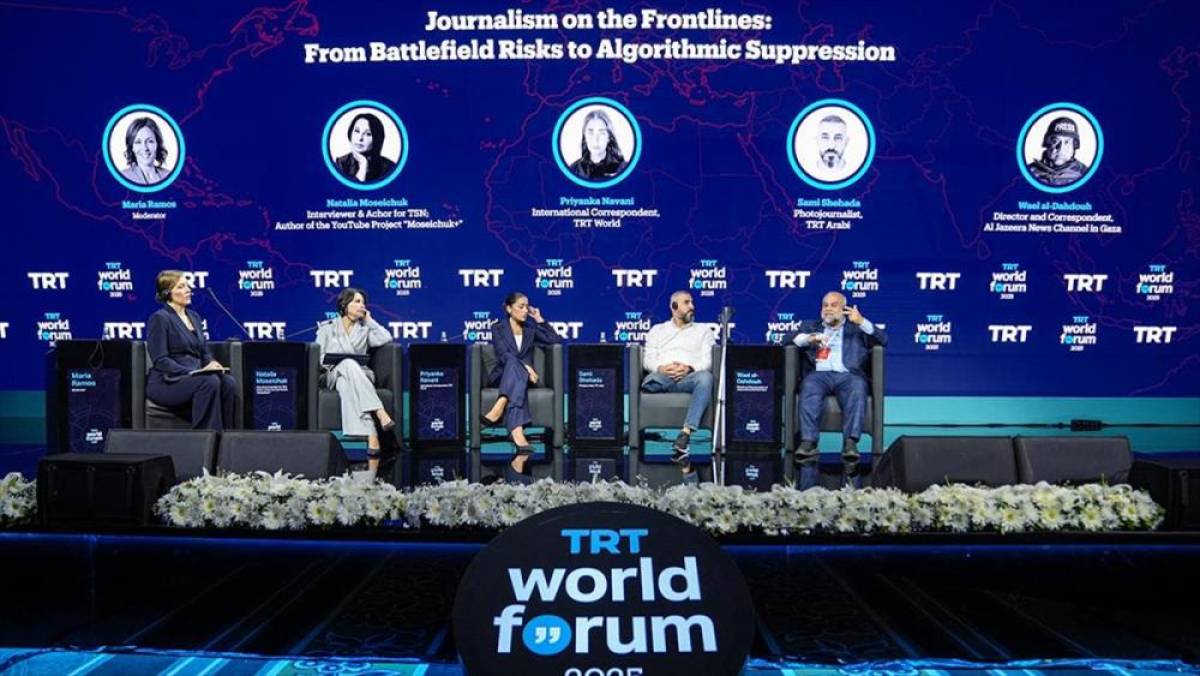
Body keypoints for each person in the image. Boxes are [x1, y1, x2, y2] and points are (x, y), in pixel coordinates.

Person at [784, 291, 887, 483]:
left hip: (848, 375)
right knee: (809, 386)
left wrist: (862, 321)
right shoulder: (810, 326)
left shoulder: (856, 328)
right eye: (825, 305)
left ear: (843, 309)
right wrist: (808, 338)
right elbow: (786, 340)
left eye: (834, 305)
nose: (828, 309)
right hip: (819, 375)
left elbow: (883, 340)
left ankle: (850, 443)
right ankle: (808, 442)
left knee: (857, 387)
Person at [479, 292, 562, 483]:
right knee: (513, 365)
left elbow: (554, 340)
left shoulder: (531, 329)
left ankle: (502, 405)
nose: (525, 310)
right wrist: (526, 367)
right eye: (521, 306)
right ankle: (515, 429)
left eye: (527, 307)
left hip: (523, 379)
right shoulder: (497, 328)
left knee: (519, 380)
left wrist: (539, 319)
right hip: (502, 376)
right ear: (509, 308)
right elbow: (504, 355)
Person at [315, 287, 396, 479]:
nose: (362, 306)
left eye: (363, 302)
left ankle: (371, 434)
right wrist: (336, 360)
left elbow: (386, 338)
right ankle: (379, 412)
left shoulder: (365, 328)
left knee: (346, 383)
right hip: (334, 373)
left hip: (360, 376)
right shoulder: (327, 328)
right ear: (345, 305)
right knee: (347, 364)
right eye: (357, 302)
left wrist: (369, 320)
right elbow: (318, 357)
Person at [145, 270, 237, 431]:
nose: (188, 290)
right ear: (167, 293)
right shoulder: (160, 318)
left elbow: (204, 352)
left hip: (194, 377)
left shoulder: (194, 317)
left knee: (228, 382)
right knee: (209, 382)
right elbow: (161, 361)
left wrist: (212, 363)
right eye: (181, 287)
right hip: (168, 380)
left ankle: (226, 436)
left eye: (187, 286)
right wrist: (192, 372)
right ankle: (205, 437)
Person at [641, 291, 715, 484]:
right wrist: (661, 368)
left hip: (688, 379)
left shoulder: (704, 331)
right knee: (651, 379)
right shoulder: (657, 330)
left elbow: (708, 361)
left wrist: (689, 368)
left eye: (692, 303)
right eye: (686, 303)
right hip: (663, 377)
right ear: (674, 307)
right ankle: (658, 382)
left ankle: (685, 433)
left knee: (705, 378)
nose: (692, 306)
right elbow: (648, 359)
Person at [334, 112, 397, 183]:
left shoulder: (389, 167)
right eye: (357, 131)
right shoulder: (341, 163)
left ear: (377, 138)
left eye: (368, 134)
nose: (360, 138)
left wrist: (364, 164)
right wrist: (362, 166)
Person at [1027, 116, 1090, 187]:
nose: (1061, 148)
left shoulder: (1085, 174)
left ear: (1074, 146)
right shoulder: (1028, 172)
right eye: (1055, 141)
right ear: (1047, 143)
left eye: (1067, 142)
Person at [568, 108, 629, 180]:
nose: (595, 140)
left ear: (609, 138)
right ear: (585, 137)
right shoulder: (573, 170)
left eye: (602, 133)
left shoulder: (623, 169)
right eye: (590, 133)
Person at [119, 117, 170, 186]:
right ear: (132, 147)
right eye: (138, 142)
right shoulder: (123, 177)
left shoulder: (168, 175)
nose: (145, 148)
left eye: (150, 141)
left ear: (157, 144)